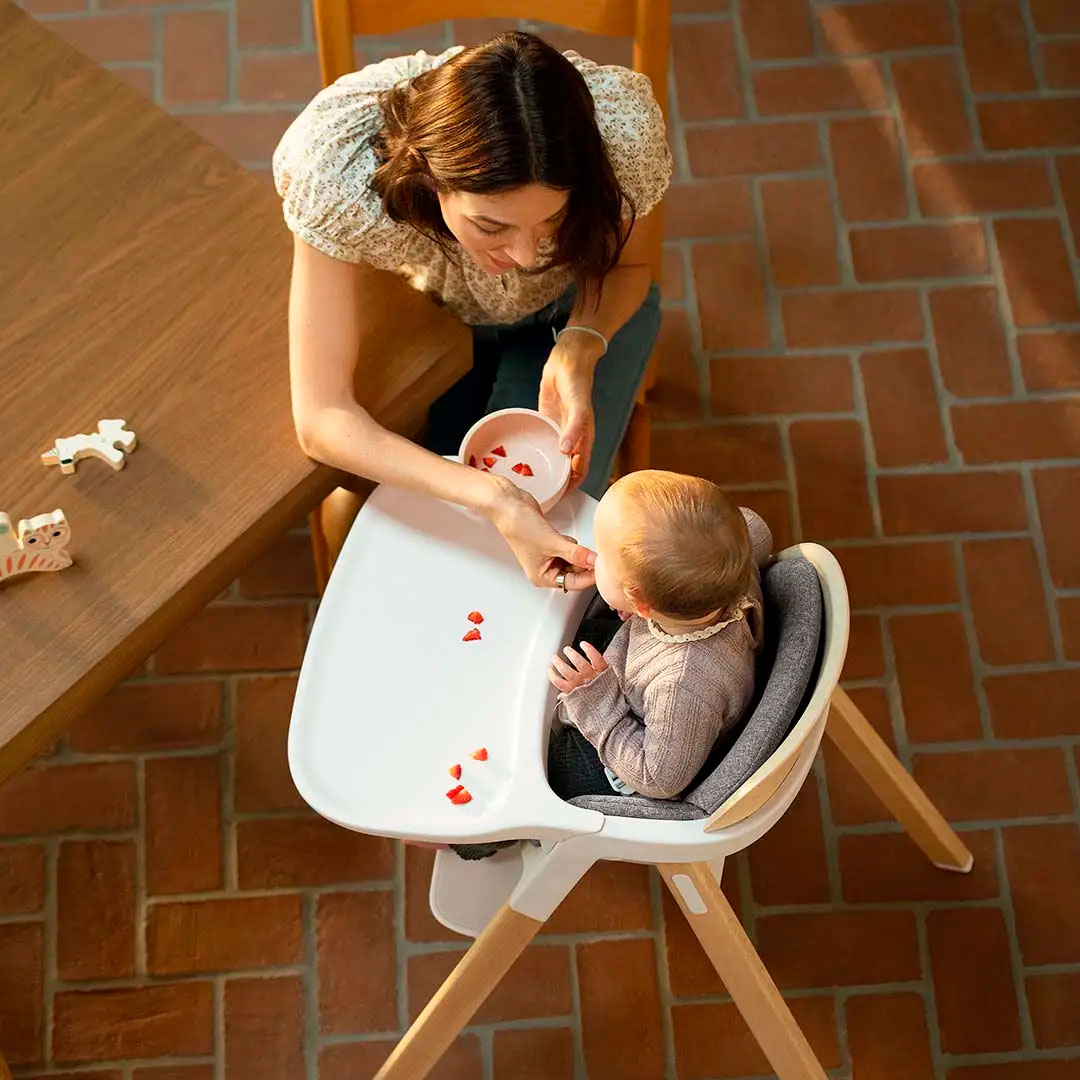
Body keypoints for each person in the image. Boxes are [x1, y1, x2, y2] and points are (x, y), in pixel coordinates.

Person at [273, 31, 672, 592]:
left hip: (582, 309)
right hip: (432, 320)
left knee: (555, 520)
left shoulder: (618, 137)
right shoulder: (339, 179)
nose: (527, 257)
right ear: (426, 175)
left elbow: (629, 271)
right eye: (492, 227)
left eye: (552, 223)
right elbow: (322, 420)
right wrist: (492, 496)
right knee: (445, 538)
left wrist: (582, 341)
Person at [452, 470, 773, 860]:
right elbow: (753, 525)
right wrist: (639, 597)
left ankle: (470, 839)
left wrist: (601, 704)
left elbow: (659, 778)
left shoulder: (683, 686)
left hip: (619, 764)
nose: (594, 553)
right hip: (637, 658)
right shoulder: (728, 562)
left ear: (641, 603)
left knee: (503, 794)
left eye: (602, 555)